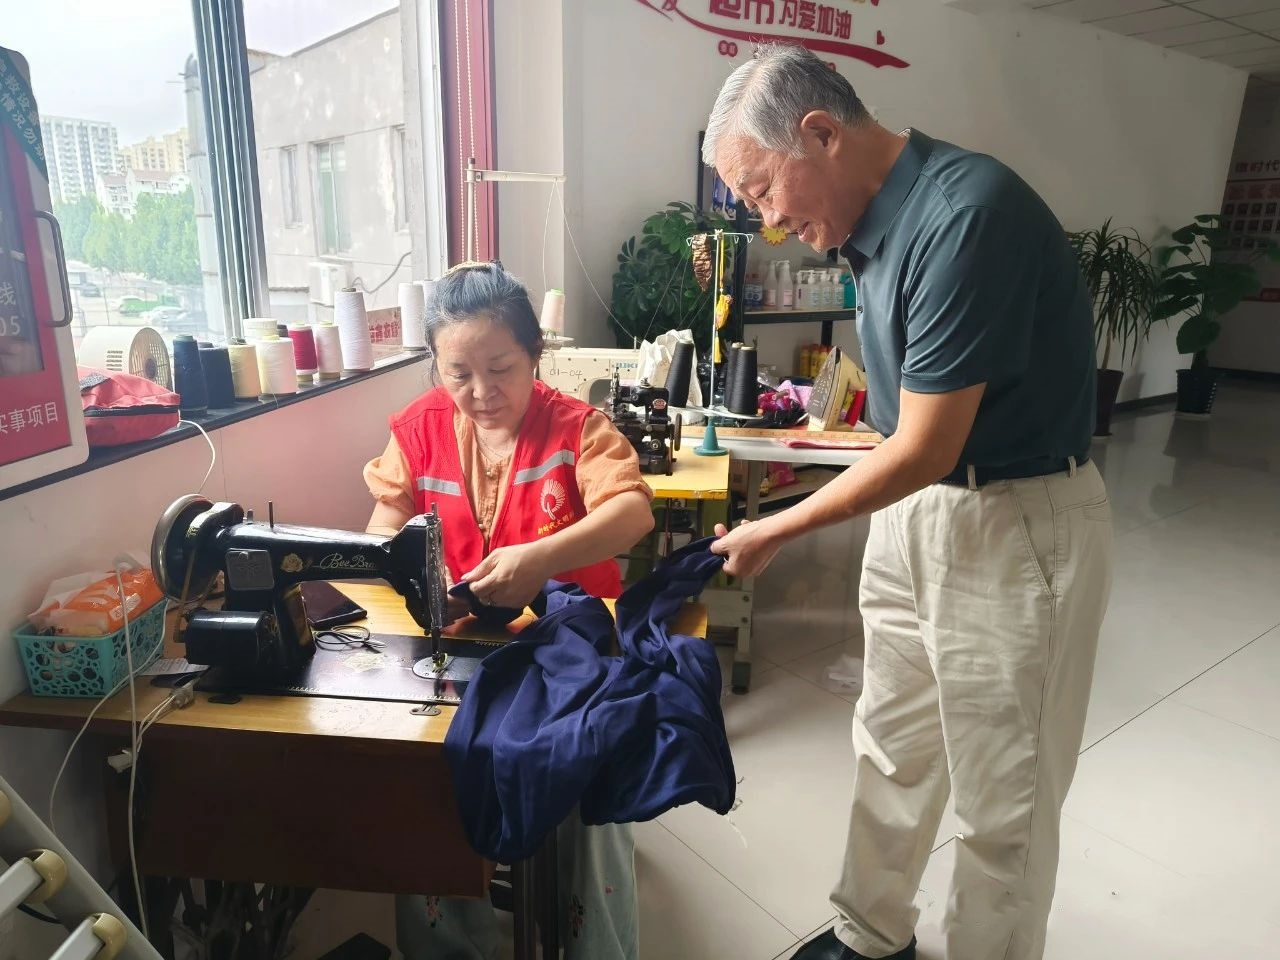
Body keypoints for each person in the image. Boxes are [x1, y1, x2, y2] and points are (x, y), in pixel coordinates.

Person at [702, 45, 1113, 960]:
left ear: (821, 133)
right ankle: (870, 933)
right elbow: (906, 421)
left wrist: (779, 525)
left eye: (763, 191)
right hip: (916, 516)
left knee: (1005, 799)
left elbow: (929, 445)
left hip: (1014, 524)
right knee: (892, 743)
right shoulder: (866, 230)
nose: (770, 224)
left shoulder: (967, 215)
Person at [363, 261, 655, 959]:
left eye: (501, 369)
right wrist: (407, 567)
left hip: (569, 649)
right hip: (461, 647)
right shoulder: (419, 430)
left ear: (534, 354)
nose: (481, 392)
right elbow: (384, 523)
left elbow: (632, 513)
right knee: (420, 775)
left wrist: (541, 559)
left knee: (585, 777)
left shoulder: (578, 429)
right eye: (458, 374)